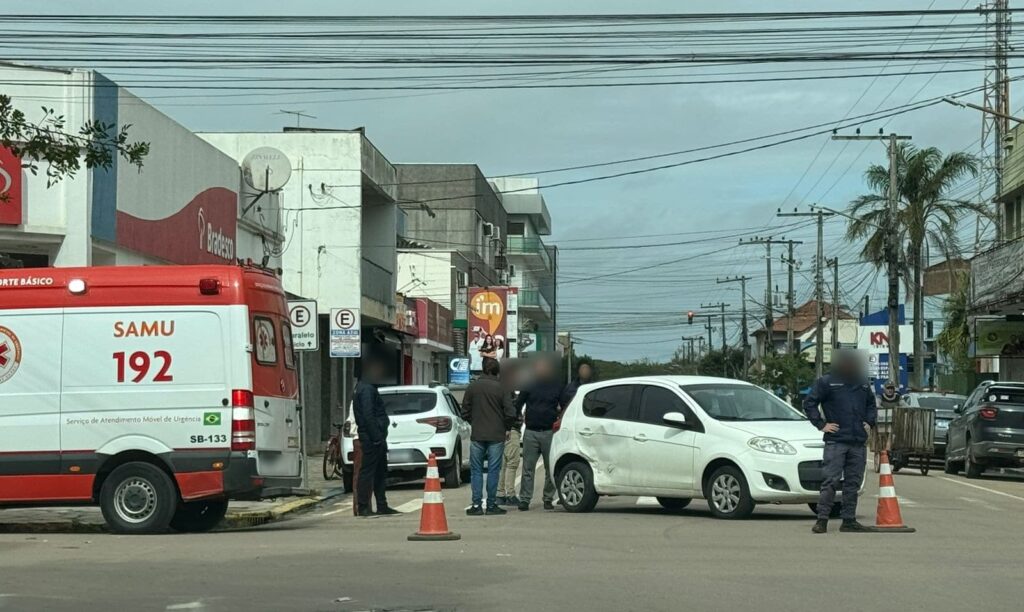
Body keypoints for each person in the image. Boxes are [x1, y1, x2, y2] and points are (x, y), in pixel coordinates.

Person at [803, 349, 877, 534]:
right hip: (836, 441)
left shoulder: (862, 383)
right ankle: (822, 520)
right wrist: (821, 424)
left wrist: (869, 422)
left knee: (853, 482)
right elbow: (809, 403)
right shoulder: (827, 382)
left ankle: (849, 520)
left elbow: (871, 404)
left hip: (858, 441)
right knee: (831, 481)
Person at [460, 357, 517, 515]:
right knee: (493, 470)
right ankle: (491, 505)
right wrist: (506, 427)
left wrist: (475, 421)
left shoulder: (473, 387)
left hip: (477, 434)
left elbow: (464, 412)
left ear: (483, 370)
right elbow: (511, 412)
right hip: (497, 435)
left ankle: (476, 505)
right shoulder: (502, 388)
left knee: (476, 471)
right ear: (497, 371)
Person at [516, 356, 566, 511]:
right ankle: (525, 499)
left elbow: (565, 405)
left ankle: (548, 498)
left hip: (549, 432)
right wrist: (517, 418)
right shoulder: (529, 385)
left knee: (550, 468)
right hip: (531, 431)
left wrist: (561, 418)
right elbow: (518, 403)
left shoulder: (556, 386)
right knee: (528, 468)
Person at [353, 356, 399, 517]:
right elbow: (368, 414)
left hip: (376, 436)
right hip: (372, 437)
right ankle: (364, 506)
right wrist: (376, 436)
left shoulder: (367, 387)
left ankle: (382, 504)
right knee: (368, 471)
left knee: (380, 471)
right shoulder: (366, 389)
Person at [496, 362, 524, 507]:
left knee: (502, 463)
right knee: (512, 462)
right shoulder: (508, 391)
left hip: (498, 430)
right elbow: (511, 411)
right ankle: (510, 493)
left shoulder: (498, 388)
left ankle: (500, 493)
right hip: (510, 429)